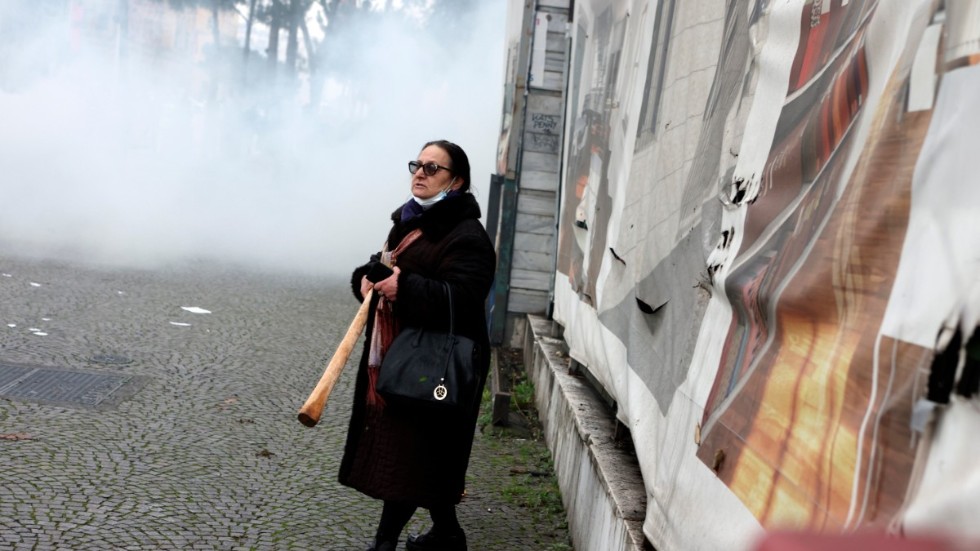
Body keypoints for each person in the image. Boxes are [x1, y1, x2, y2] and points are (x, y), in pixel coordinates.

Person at [339, 140, 497, 551]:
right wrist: (369, 278)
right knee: (424, 451)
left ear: (456, 181)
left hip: (441, 360)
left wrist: (403, 286)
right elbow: (389, 264)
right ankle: (447, 534)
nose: (420, 173)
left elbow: (464, 296)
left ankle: (384, 543)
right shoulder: (410, 221)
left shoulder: (467, 235)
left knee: (414, 448)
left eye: (433, 167)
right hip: (405, 352)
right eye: (417, 164)